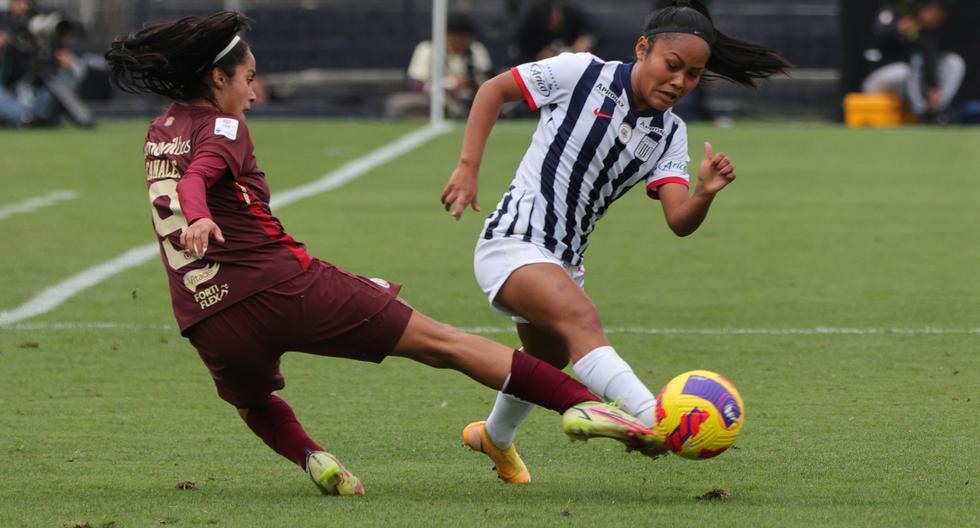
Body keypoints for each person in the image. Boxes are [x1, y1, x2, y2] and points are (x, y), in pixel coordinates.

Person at [104, 11, 660, 496]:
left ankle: (315, 459)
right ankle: (583, 405)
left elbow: (188, 175)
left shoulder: (160, 129)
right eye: (248, 79)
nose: (253, 92)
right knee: (445, 343)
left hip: (206, 317)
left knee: (253, 403)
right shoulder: (224, 124)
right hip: (282, 287)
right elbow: (200, 177)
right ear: (218, 76)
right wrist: (200, 214)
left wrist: (198, 214)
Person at [441, 0, 788, 484]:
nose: (680, 82)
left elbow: (679, 220)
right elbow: (494, 90)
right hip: (513, 239)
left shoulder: (671, 134)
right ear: (642, 48)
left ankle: (493, 439)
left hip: (565, 260)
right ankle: (654, 420)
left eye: (693, 75)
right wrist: (467, 167)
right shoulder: (581, 73)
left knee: (546, 362)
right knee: (582, 319)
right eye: (672, 66)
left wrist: (705, 192)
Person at [862, 0, 965, 123]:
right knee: (906, 68)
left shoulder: (923, 28)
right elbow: (878, 34)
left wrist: (933, 87)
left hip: (908, 85)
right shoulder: (891, 10)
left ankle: (936, 111)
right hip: (878, 81)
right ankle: (921, 113)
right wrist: (897, 28)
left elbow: (927, 56)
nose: (936, 15)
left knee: (953, 62)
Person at [387, 12, 493, 118]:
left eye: (464, 37)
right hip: (434, 99)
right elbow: (417, 83)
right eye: (455, 37)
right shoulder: (427, 49)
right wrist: (451, 85)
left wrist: (472, 83)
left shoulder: (476, 50)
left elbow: (488, 79)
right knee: (402, 104)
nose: (459, 42)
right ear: (445, 34)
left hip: (471, 99)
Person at [512, 0, 597, 64]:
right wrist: (537, 58)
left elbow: (595, 30)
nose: (552, 26)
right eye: (547, 23)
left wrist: (586, 40)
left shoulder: (573, 12)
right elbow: (520, 55)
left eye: (553, 20)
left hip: (579, 62)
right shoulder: (528, 26)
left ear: (557, 10)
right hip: (547, 71)